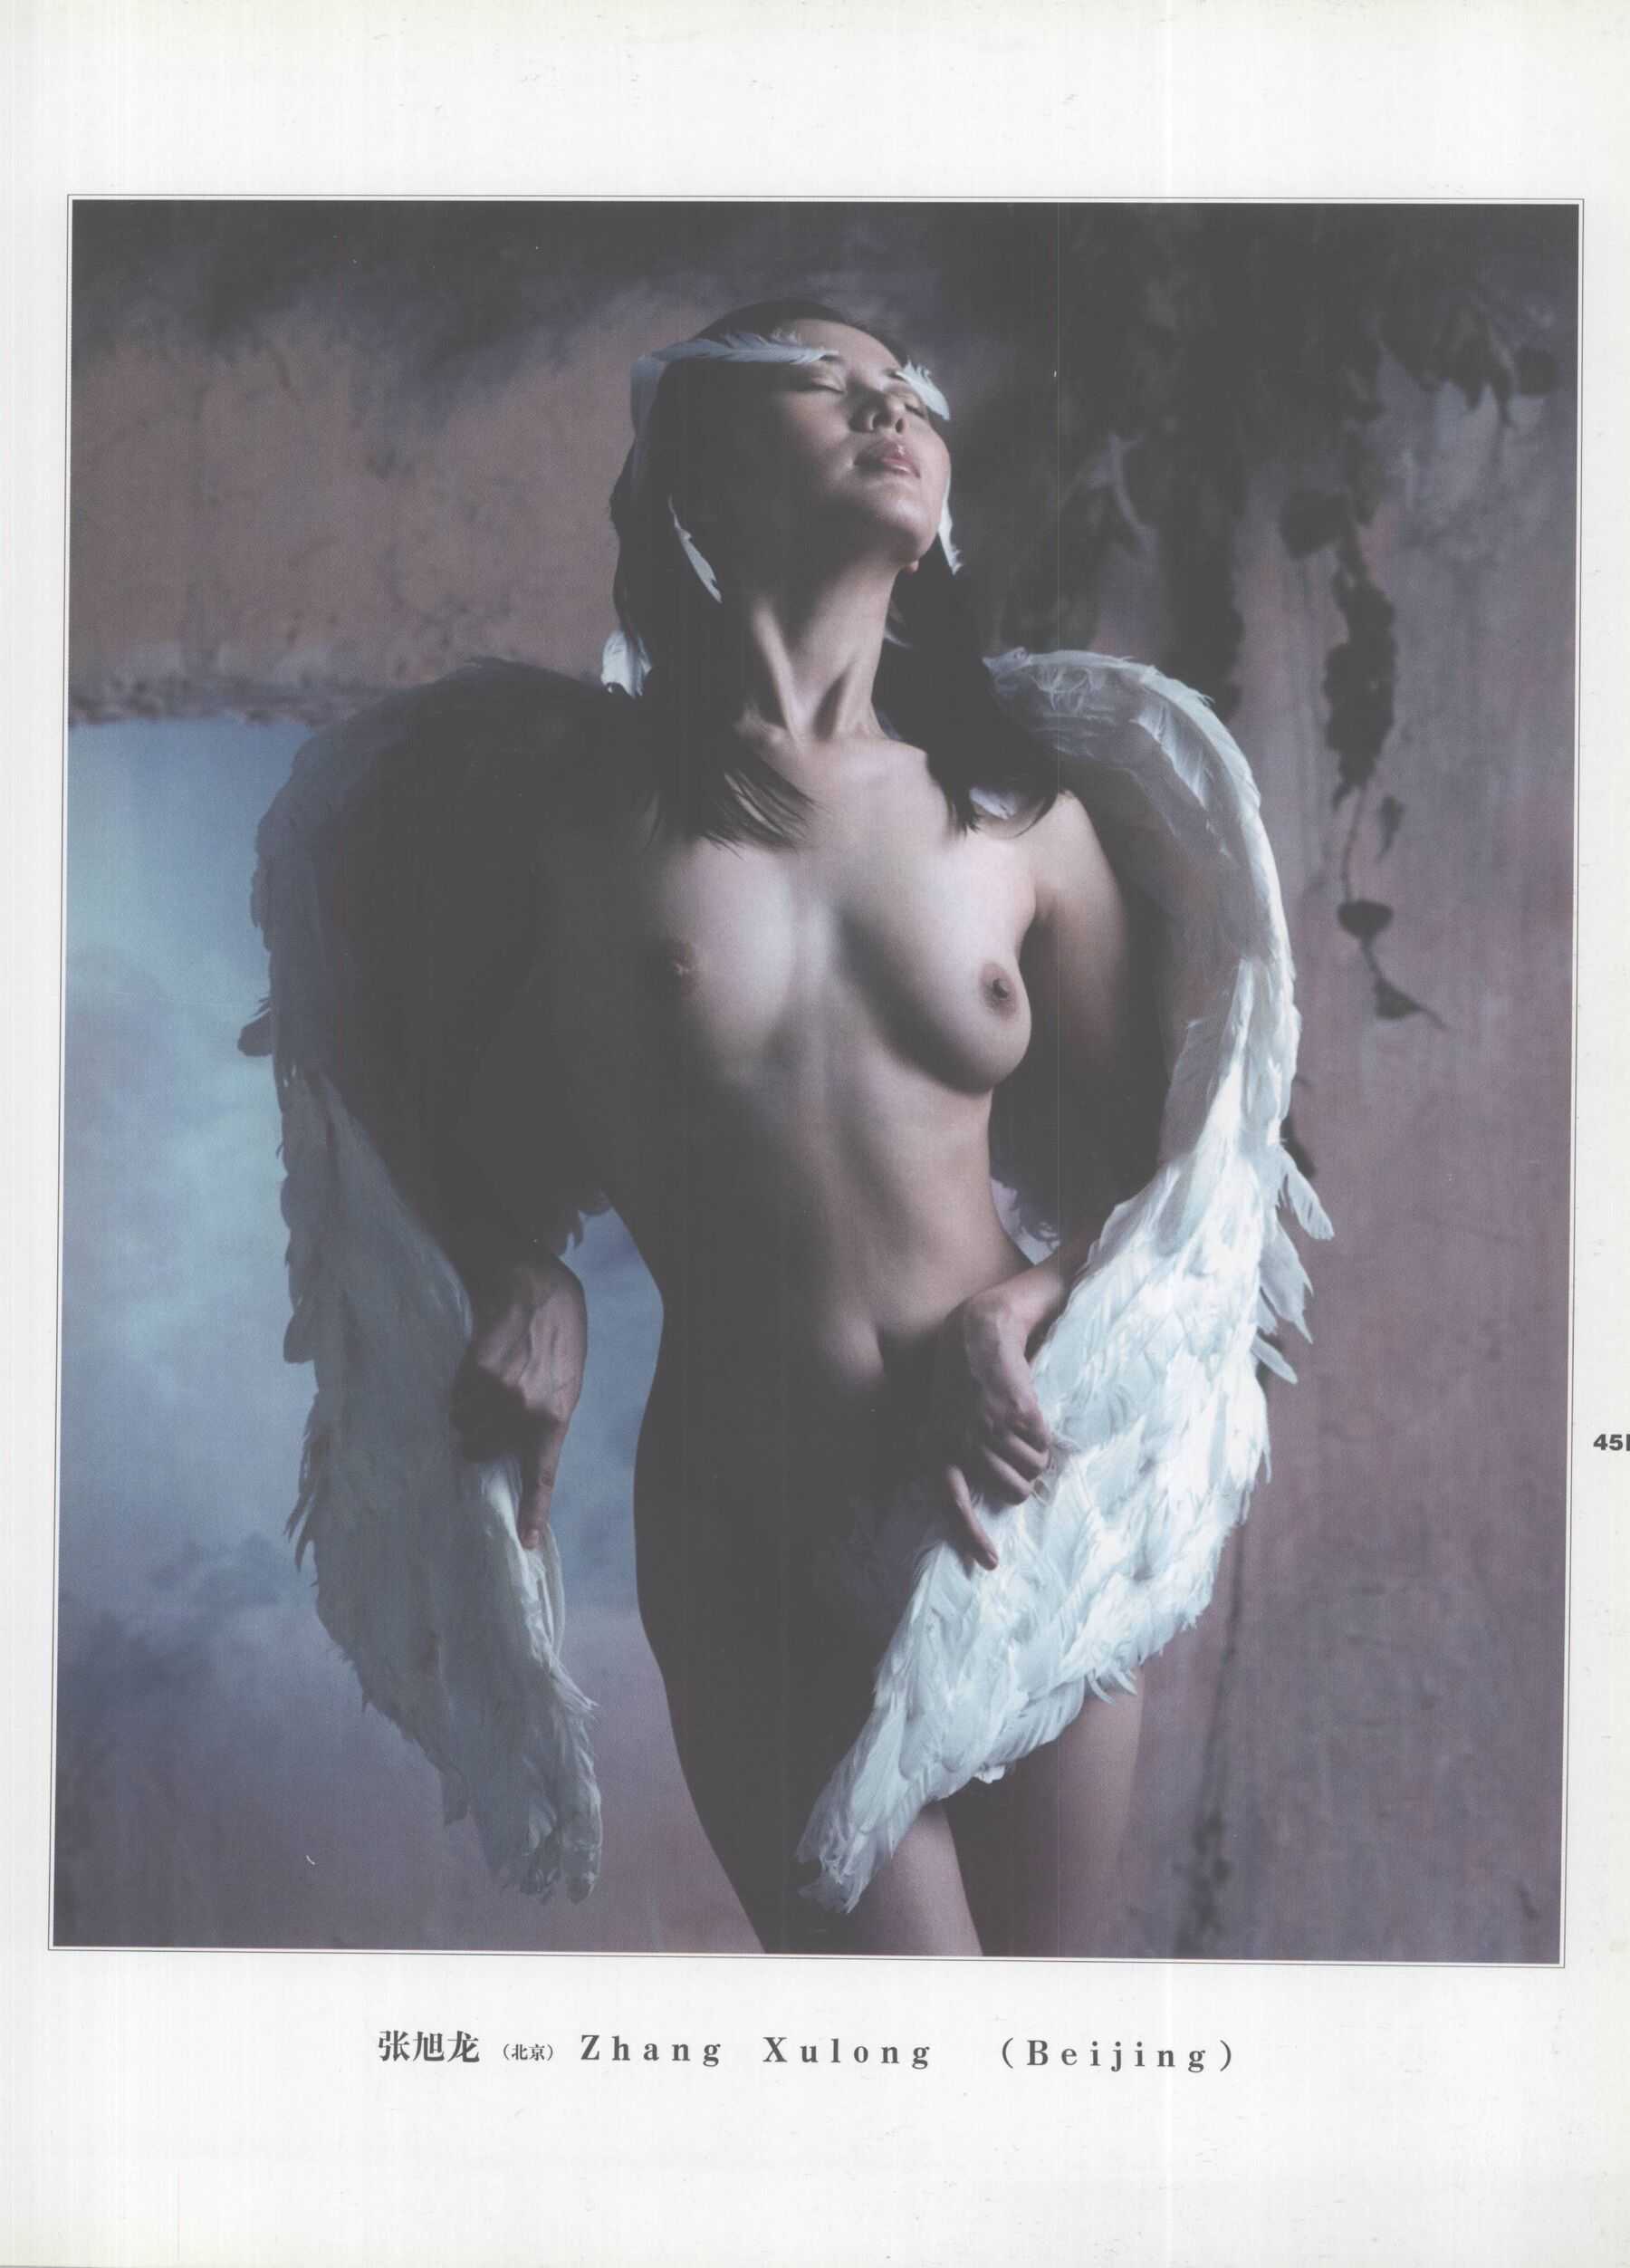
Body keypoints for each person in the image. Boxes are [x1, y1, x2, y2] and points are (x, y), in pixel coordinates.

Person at [244, 298, 1328, 1956]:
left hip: (1022, 1503)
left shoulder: (1020, 819)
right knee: (897, 2053)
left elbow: (1183, 1187)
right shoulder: (575, 816)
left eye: (909, 391)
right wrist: (519, 1270)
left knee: (1025, 2066)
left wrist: (1018, 1308)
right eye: (828, 384)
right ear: (696, 465)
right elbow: (408, 1106)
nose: (888, 410)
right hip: (751, 1524)